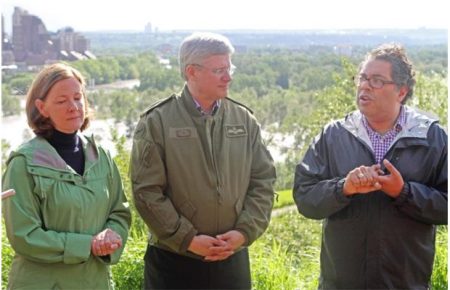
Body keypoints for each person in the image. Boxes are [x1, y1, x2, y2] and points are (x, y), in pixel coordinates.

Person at [293, 43, 447, 289]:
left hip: (406, 283)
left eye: (376, 80)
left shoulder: (433, 138)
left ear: (401, 91)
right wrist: (344, 188)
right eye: (362, 78)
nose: (364, 86)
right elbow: (305, 198)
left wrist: (404, 192)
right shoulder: (333, 135)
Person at [131, 32, 276, 289]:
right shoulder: (157, 121)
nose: (228, 76)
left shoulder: (243, 120)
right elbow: (146, 192)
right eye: (219, 69)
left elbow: (263, 181)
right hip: (174, 260)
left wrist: (243, 233)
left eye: (229, 67)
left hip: (231, 259)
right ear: (192, 72)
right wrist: (187, 239)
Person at [2, 63, 132, 289]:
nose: (73, 107)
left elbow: (119, 212)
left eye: (77, 98)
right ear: (42, 108)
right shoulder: (23, 164)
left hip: (95, 282)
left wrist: (111, 235)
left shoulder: (101, 157)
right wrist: (87, 245)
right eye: (62, 101)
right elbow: (24, 235)